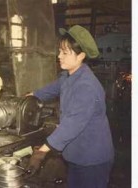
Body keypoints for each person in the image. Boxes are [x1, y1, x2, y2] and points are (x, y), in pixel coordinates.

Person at [26, 25, 114, 188]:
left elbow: (71, 125)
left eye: (65, 53)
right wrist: (32, 96)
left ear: (81, 55)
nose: (59, 56)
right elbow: (54, 87)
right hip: (76, 154)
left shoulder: (86, 86)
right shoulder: (69, 75)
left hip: (92, 159)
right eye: (60, 51)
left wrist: (41, 152)